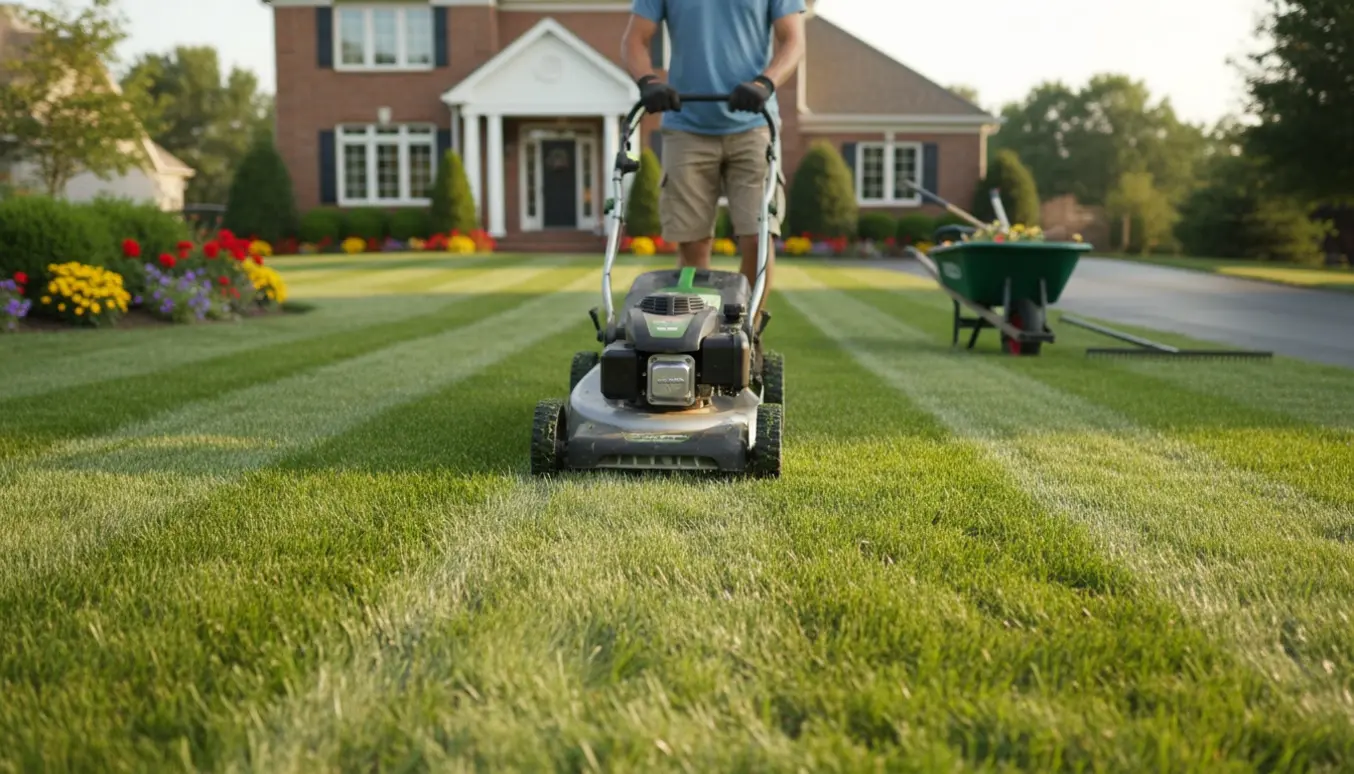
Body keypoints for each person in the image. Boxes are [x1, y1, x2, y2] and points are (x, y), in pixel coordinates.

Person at [622, 0, 807, 329]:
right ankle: (699, 332)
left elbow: (793, 40)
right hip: (686, 124)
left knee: (757, 235)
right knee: (692, 241)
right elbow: (635, 39)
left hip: (754, 124)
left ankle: (747, 329)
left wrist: (765, 82)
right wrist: (648, 82)